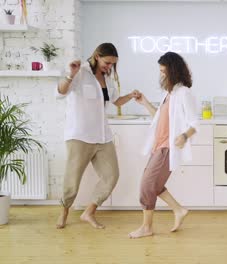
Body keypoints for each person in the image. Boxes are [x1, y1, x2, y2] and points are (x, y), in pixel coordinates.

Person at [55, 43, 141, 229]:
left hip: (103, 136)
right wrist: (70, 75)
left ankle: (89, 212)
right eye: (107, 62)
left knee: (111, 176)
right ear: (97, 56)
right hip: (80, 135)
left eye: (112, 64)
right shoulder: (80, 72)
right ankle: (64, 211)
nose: (109, 66)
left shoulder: (108, 78)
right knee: (73, 179)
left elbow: (115, 100)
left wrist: (131, 96)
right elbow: (60, 92)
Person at [129, 51, 198, 239]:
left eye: (164, 72)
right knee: (154, 185)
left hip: (168, 148)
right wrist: (144, 102)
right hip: (158, 146)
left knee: (147, 185)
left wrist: (184, 136)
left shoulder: (183, 93)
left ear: (173, 71)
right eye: (160, 72)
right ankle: (179, 210)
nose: (162, 76)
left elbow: (195, 123)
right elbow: (159, 118)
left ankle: (146, 227)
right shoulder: (170, 93)